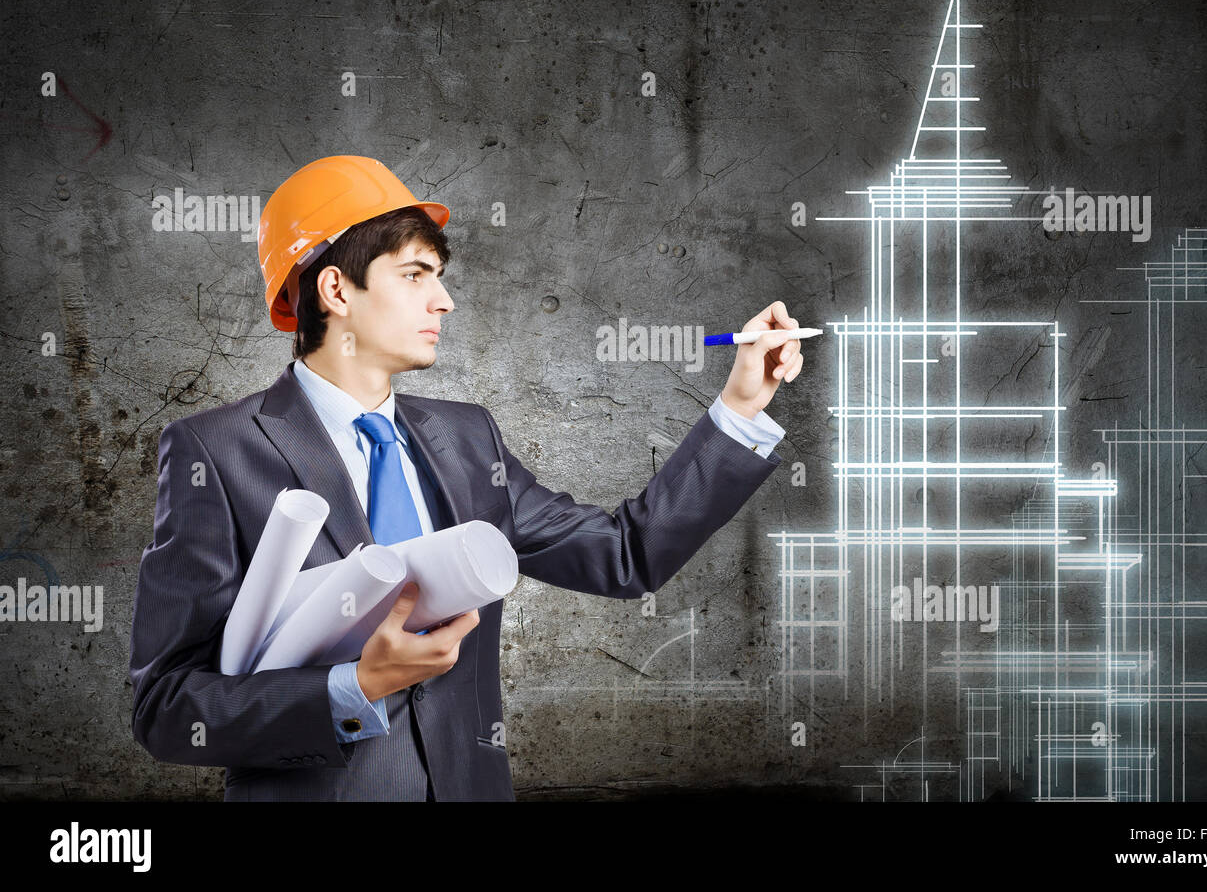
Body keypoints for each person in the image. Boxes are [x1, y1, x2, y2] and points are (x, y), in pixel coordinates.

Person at [128, 155, 805, 801]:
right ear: (336, 289)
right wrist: (352, 686)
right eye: (416, 275)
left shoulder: (466, 438)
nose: (444, 300)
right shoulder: (215, 453)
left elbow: (625, 555)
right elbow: (166, 708)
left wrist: (740, 407)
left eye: (440, 276)